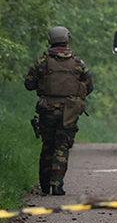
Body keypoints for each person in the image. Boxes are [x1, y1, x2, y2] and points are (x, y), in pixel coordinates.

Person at [24, 26, 93, 195]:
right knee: (62, 145)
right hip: (69, 111)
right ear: (67, 39)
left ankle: (45, 185)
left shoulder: (42, 62)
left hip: (47, 109)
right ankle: (57, 184)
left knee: (48, 145)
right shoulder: (78, 63)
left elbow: (29, 84)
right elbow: (89, 86)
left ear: (50, 40)